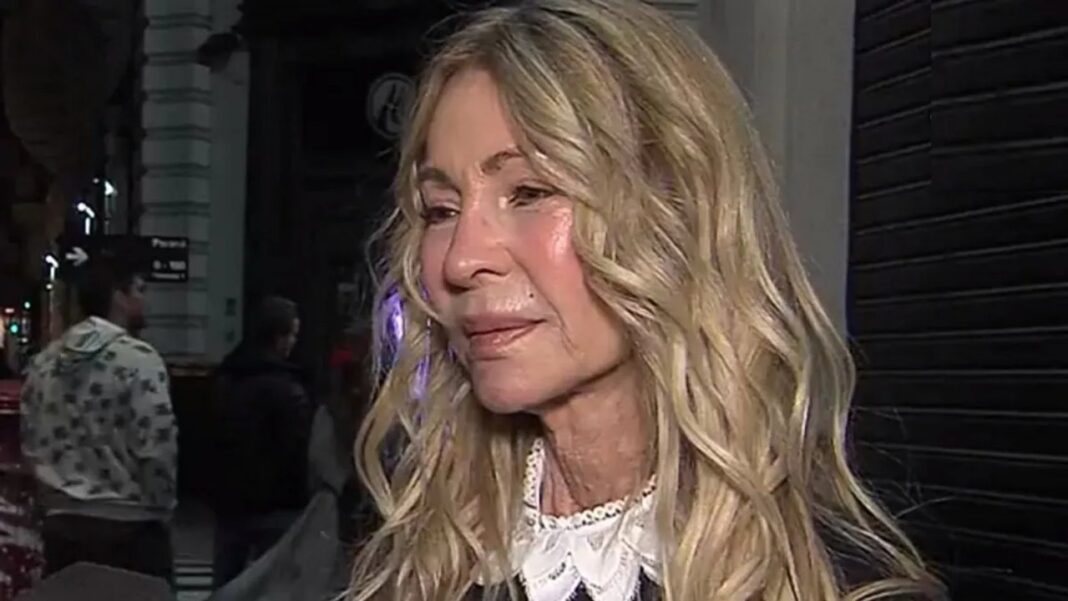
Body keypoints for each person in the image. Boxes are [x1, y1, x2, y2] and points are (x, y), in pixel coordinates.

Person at [345, 2, 947, 601]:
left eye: (529, 191)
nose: (460, 259)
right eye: (441, 211)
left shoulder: (831, 586)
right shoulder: (423, 570)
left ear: (676, 212)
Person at [19, 258, 177, 584]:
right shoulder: (139, 360)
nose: (145, 300)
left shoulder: (44, 362)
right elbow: (156, 444)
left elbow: (30, 439)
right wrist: (162, 505)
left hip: (62, 525)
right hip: (130, 525)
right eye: (139, 290)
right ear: (118, 296)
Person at [209, 296, 313, 589]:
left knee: (226, 584)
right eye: (292, 334)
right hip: (277, 504)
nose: (293, 342)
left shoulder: (227, 379)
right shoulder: (287, 387)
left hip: (231, 502)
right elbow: (297, 448)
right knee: (274, 585)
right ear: (279, 337)